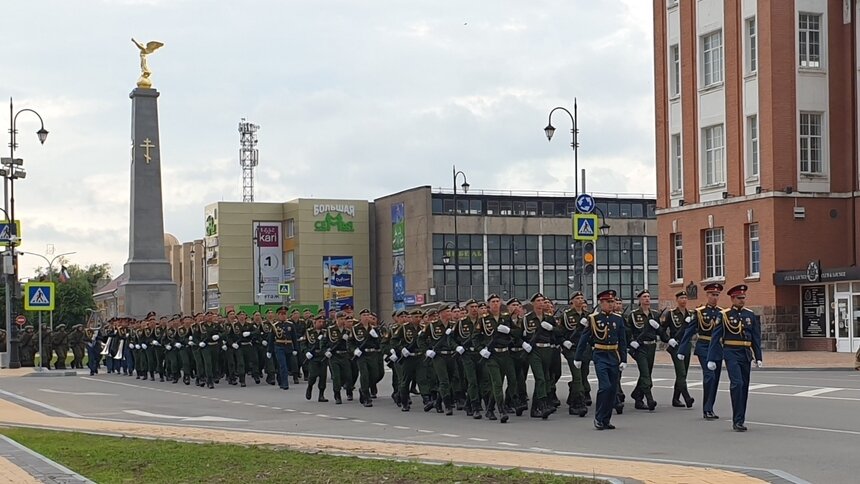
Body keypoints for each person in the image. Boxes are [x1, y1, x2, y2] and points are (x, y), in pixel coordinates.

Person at [707, 285, 763, 432]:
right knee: (737, 384)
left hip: (746, 353)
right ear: (732, 298)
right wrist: (711, 358)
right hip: (731, 352)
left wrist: (758, 356)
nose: (742, 301)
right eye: (739, 298)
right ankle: (736, 420)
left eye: (743, 298)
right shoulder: (724, 315)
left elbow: (756, 338)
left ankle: (740, 419)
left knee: (744, 386)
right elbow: (715, 337)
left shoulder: (750, 315)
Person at [574, 289, 627, 430]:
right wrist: (578, 357)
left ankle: (606, 419)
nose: (611, 304)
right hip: (600, 355)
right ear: (601, 303)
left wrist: (624, 359)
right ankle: (598, 418)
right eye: (608, 302)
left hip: (614, 356)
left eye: (613, 301)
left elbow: (623, 340)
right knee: (605, 387)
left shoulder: (618, 318)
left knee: (613, 389)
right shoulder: (593, 319)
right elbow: (584, 339)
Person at [678, 283, 725, 420]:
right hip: (704, 346)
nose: (715, 298)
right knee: (709, 376)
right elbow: (689, 331)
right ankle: (707, 409)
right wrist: (681, 349)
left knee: (715, 379)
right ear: (707, 295)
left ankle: (710, 407)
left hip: (716, 347)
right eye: (712, 295)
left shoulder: (722, 313)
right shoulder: (699, 312)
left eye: (717, 295)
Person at [626, 289, 662, 411]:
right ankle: (650, 400)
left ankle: (637, 396)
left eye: (648, 296)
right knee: (645, 373)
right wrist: (631, 342)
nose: (647, 299)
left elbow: (660, 331)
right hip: (640, 347)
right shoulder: (633, 315)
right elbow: (628, 331)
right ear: (640, 300)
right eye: (644, 297)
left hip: (651, 346)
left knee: (646, 373)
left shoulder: (655, 314)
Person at [660, 291, 695, 408]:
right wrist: (668, 340)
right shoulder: (671, 314)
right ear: (677, 299)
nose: (684, 300)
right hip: (676, 345)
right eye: (681, 297)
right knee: (681, 372)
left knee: (683, 374)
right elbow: (662, 329)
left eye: (685, 297)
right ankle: (687, 397)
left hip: (687, 345)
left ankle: (676, 399)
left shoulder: (690, 314)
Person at [560, 292, 589, 417]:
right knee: (577, 376)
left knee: (583, 374)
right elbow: (560, 332)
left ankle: (573, 397)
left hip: (584, 349)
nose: (580, 300)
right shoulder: (566, 316)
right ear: (572, 301)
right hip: (572, 349)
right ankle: (578, 404)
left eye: (582, 298)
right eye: (577, 298)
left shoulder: (588, 316)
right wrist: (564, 342)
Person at [304, 315, 329, 402]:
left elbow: (328, 343)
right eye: (319, 322)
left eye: (323, 322)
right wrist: (306, 352)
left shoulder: (326, 332)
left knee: (323, 376)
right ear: (315, 322)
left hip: (322, 356)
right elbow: (304, 343)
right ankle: (310, 386)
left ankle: (321, 395)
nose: (321, 323)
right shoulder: (309, 332)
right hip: (313, 356)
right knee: (313, 375)